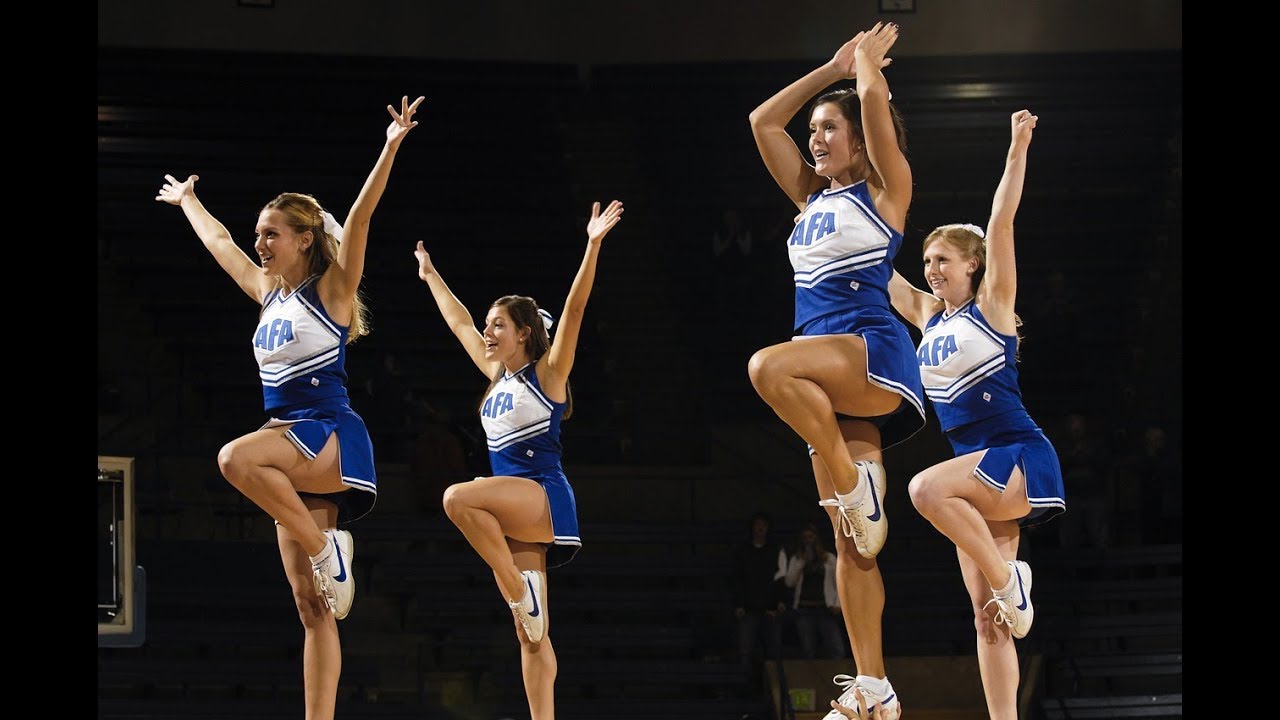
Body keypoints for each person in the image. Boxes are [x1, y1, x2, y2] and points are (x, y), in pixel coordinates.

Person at [155, 95, 424, 720]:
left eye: (271, 233)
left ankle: (329, 548)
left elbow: (358, 221)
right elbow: (221, 243)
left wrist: (389, 146)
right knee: (314, 607)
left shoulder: (330, 291)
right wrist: (189, 201)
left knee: (233, 460)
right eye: (259, 234)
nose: (260, 242)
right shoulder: (264, 292)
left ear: (305, 239)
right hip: (290, 447)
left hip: (325, 433)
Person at [746, 22, 922, 720]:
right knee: (855, 546)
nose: (816, 138)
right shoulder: (808, 198)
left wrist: (868, 72)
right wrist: (829, 67)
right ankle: (874, 686)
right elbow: (763, 121)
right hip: (821, 375)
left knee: (764, 368)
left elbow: (877, 119)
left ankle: (855, 487)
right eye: (814, 129)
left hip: (868, 353)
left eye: (829, 129)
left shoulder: (886, 193)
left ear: (858, 139)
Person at [414, 199, 624, 720]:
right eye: (489, 325)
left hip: (540, 494)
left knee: (456, 497)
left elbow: (574, 311)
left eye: (498, 325)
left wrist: (592, 245)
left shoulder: (547, 376)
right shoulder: (494, 377)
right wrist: (431, 275)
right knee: (532, 635)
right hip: (511, 506)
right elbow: (459, 323)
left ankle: (515, 588)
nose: (488, 332)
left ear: (524, 332)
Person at [887, 109, 1065, 720]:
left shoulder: (992, 307)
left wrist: (1017, 147)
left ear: (973, 266)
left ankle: (1013, 580)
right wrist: (814, 209)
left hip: (1015, 457)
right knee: (988, 620)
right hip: (974, 478)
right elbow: (872, 266)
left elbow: (1001, 219)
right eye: (928, 260)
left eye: (944, 260)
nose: (932, 269)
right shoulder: (925, 316)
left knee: (920, 488)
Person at [730, 512, 788, 671]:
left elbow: (781, 577)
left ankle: (775, 689)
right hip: (748, 608)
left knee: (774, 651)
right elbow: (737, 579)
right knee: (745, 651)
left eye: (763, 524)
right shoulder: (742, 551)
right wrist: (739, 604)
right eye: (757, 524)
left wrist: (780, 602)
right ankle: (744, 686)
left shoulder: (776, 550)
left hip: (770, 608)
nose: (760, 528)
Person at [784, 523, 845, 660]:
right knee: (808, 649)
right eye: (805, 537)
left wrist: (838, 604)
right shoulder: (797, 559)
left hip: (825, 608)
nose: (808, 540)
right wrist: (802, 562)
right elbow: (789, 582)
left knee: (836, 648)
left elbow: (840, 583)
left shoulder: (829, 559)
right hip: (804, 609)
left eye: (811, 537)